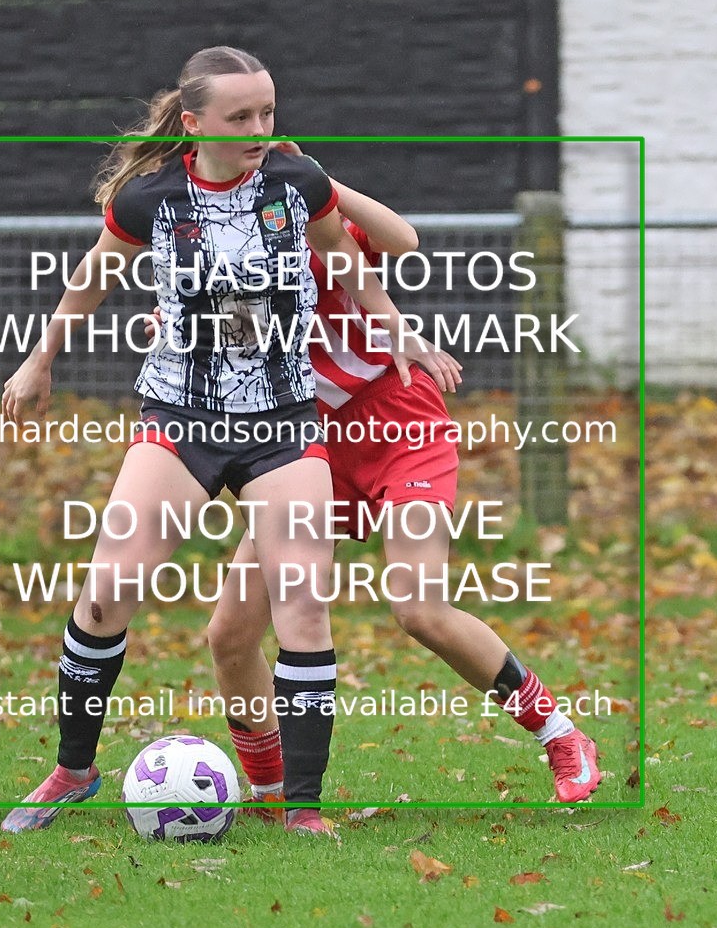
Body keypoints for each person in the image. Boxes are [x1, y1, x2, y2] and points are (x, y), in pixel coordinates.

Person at [0, 47, 457, 836]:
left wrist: (399, 333)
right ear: (194, 123)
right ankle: (73, 771)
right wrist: (41, 358)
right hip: (180, 421)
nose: (260, 130)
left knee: (303, 611)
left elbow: (347, 264)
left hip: (284, 425)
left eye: (268, 113)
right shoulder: (150, 199)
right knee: (106, 592)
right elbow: (94, 276)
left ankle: (301, 810)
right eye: (240, 117)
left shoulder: (296, 183)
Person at [206, 145, 603, 811]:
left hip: (399, 427)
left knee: (418, 609)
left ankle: (561, 735)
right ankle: (271, 794)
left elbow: (403, 238)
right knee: (230, 634)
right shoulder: (227, 262)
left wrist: (320, 182)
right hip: (310, 450)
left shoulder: (321, 227)